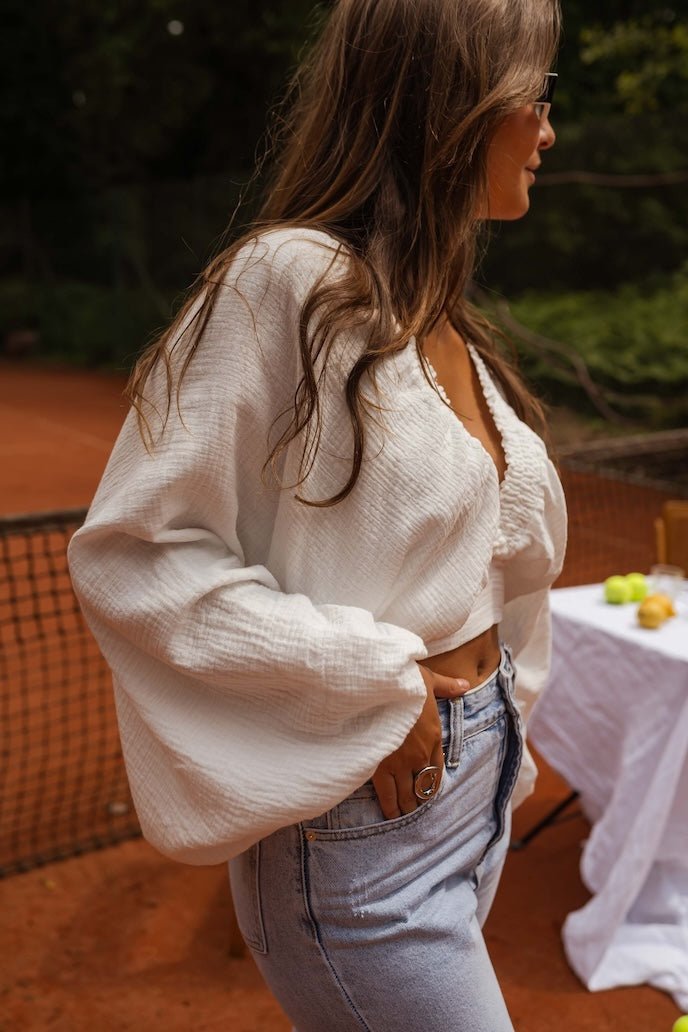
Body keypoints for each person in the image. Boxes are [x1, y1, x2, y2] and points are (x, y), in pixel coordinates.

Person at [68, 0, 566, 1028]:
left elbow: (483, 561)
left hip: (470, 787)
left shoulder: (436, 319)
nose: (548, 130)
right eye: (534, 95)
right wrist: (372, 690)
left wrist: (491, 718)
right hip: (360, 821)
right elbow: (137, 554)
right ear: (450, 106)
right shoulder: (287, 279)